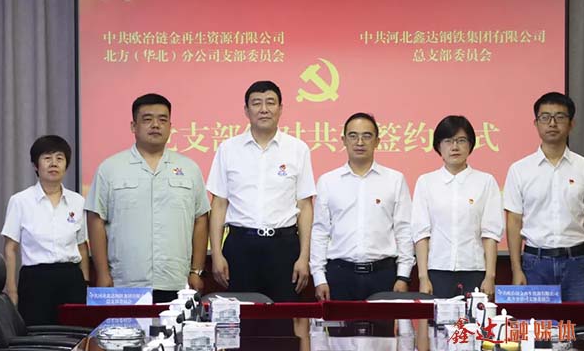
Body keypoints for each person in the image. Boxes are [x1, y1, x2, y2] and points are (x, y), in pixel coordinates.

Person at [85, 93, 210, 303]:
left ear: (170, 126)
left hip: (176, 282)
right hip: (124, 282)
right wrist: (103, 273)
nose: (155, 125)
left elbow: (200, 219)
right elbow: (96, 219)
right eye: (147, 119)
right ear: (133, 126)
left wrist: (196, 271)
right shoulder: (110, 168)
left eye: (162, 120)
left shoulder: (189, 169)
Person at [207, 80, 315, 302]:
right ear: (246, 110)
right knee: (243, 316)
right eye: (256, 103)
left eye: (270, 103)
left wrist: (304, 257)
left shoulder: (298, 149)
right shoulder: (228, 149)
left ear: (280, 109)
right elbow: (219, 204)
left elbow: (305, 206)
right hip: (240, 246)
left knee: (283, 318)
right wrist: (216, 254)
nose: (264, 109)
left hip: (284, 247)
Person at [310, 112, 415, 301]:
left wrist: (403, 276)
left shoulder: (394, 180)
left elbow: (404, 230)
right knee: (340, 322)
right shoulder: (328, 181)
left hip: (383, 275)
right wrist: (319, 278)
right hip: (339, 275)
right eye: (353, 136)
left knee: (384, 323)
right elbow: (320, 232)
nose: (360, 142)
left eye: (367, 136)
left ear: (377, 141)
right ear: (344, 140)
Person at [504, 92, 584, 301]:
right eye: (545, 117)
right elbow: (514, 222)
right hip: (535, 264)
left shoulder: (583, 167)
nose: (552, 123)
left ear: (571, 124)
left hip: (578, 263)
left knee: (579, 322)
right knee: (538, 322)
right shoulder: (520, 169)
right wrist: (516, 269)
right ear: (536, 123)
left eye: (560, 117)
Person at [411, 116, 504, 299]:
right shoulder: (426, 182)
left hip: (474, 270)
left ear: (470, 145)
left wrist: (490, 276)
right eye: (448, 141)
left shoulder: (485, 182)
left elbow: (490, 234)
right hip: (437, 271)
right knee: (438, 318)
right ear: (438, 146)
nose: (455, 147)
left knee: (474, 318)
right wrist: (423, 277)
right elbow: (421, 234)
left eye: (461, 140)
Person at [1, 135, 89, 325]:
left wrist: (86, 282)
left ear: (66, 165)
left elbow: (82, 247)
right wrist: (12, 291)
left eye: (59, 158)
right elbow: (10, 249)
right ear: (36, 165)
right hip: (35, 280)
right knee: (37, 334)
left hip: (71, 278)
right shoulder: (20, 201)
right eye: (47, 158)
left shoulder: (78, 201)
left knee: (75, 334)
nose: (54, 163)